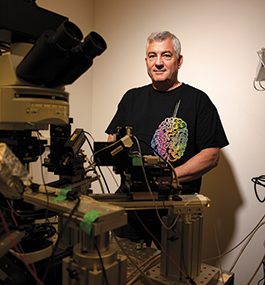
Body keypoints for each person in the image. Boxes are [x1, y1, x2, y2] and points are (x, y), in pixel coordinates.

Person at [105, 31, 229, 247]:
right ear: (146, 61)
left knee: (174, 275)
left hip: (175, 213)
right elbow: (112, 142)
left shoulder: (198, 100)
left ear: (179, 61)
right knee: (125, 271)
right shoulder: (131, 97)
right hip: (131, 209)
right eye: (152, 56)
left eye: (166, 55)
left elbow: (211, 155)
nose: (158, 63)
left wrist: (168, 178)